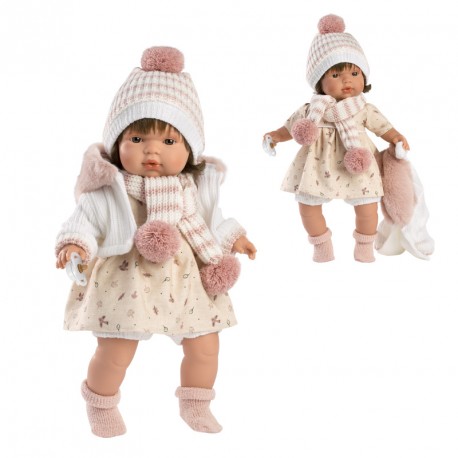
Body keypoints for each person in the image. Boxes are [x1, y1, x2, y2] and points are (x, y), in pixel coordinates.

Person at [55, 46, 256, 437]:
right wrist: (75, 245)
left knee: (205, 345)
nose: (151, 150)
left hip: (187, 281)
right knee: (116, 351)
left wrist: (235, 237)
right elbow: (84, 220)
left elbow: (211, 221)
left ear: (190, 150)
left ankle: (196, 403)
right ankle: (100, 402)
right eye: (137, 137)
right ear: (117, 144)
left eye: (168, 142)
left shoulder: (191, 188)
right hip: (127, 280)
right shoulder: (110, 189)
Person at [264, 14, 409, 262]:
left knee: (368, 207)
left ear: (364, 76)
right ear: (319, 81)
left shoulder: (363, 108)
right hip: (317, 166)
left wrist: (395, 137)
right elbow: (292, 128)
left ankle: (365, 245)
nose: (346, 80)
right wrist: (276, 135)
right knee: (307, 207)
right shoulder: (311, 110)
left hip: (358, 163)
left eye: (354, 72)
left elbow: (382, 127)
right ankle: (321, 245)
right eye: (335, 75)